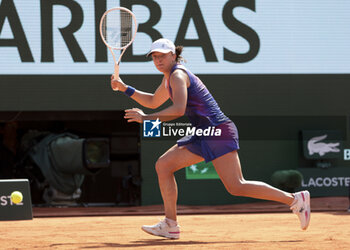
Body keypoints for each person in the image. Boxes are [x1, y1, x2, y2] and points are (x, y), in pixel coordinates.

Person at [111, 38, 311, 239]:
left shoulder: (178, 75)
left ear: (173, 55)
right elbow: (154, 101)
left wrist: (146, 119)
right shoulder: (168, 77)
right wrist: (124, 88)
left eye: (162, 56)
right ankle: (171, 225)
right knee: (164, 165)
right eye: (154, 57)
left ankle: (295, 200)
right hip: (204, 132)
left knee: (236, 186)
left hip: (217, 131)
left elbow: (178, 109)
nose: (158, 60)